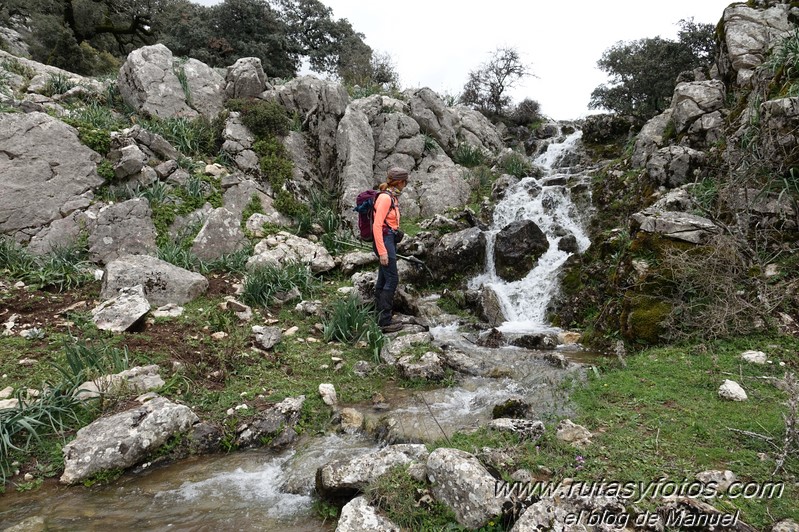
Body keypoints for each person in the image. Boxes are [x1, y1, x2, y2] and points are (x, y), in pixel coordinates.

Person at [372, 166, 408, 332]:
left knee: (383, 279)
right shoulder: (386, 199)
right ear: (400, 182)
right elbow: (377, 225)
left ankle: (379, 315)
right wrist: (383, 251)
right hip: (384, 242)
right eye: (405, 182)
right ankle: (385, 322)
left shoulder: (391, 197)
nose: (405, 185)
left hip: (388, 240)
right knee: (392, 279)